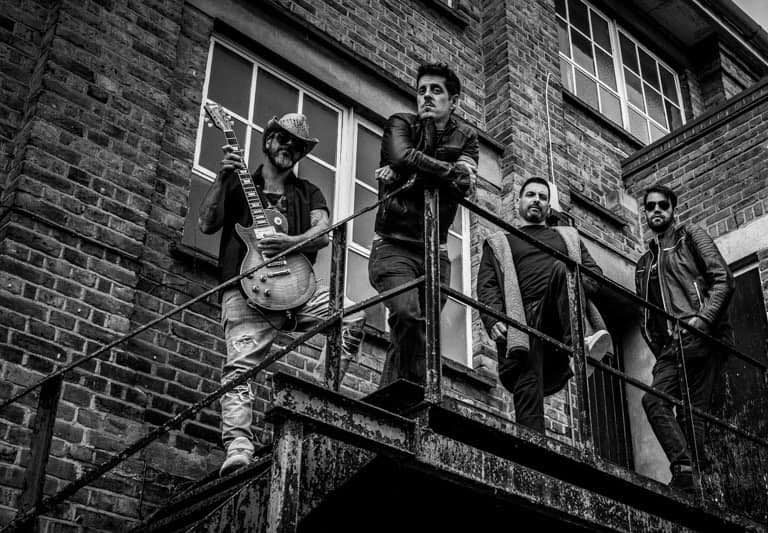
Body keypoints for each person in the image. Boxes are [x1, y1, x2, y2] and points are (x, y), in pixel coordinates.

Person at [199, 112, 363, 476]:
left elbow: (323, 231)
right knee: (240, 369)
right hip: (246, 289)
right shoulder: (238, 182)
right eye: (283, 138)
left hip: (297, 289)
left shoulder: (308, 192)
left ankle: (317, 398)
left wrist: (290, 242)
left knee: (352, 315)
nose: (290, 147)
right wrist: (222, 177)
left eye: (298, 145)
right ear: (268, 140)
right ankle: (239, 446)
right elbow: (206, 224)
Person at [368, 62, 478, 387]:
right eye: (422, 90)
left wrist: (409, 174)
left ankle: (393, 404)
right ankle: (418, 396)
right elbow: (402, 157)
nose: (426, 96)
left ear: (453, 101)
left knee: (417, 331)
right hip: (393, 246)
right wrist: (446, 172)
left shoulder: (466, 136)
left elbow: (465, 184)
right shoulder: (400, 123)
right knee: (406, 314)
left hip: (436, 253)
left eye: (436, 90)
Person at [476, 177, 611, 434]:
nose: (536, 200)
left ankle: (578, 346)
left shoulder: (568, 238)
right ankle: (532, 450)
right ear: (518, 201)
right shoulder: (501, 242)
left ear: (548, 206)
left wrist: (572, 285)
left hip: (557, 317)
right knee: (528, 389)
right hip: (521, 321)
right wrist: (493, 319)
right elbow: (487, 286)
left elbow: (595, 277)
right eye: (531, 195)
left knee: (562, 269)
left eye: (542, 197)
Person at [636, 183, 734, 493]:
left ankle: (695, 481)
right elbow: (646, 313)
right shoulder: (645, 263)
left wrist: (702, 321)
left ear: (673, 210)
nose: (656, 210)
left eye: (662, 205)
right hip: (672, 346)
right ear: (645, 213)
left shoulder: (690, 236)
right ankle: (686, 470)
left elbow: (723, 279)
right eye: (650, 206)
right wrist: (661, 347)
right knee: (655, 401)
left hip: (700, 336)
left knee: (692, 417)